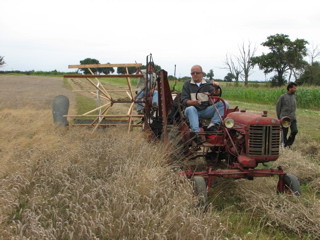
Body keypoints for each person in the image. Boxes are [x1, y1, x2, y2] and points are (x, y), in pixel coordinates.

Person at [181, 65, 228, 136]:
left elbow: (215, 94)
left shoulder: (207, 83)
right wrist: (193, 102)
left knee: (224, 104)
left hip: (205, 110)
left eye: (197, 73)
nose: (195, 75)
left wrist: (216, 87)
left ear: (202, 74)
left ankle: (213, 125)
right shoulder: (187, 84)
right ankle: (196, 133)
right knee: (191, 108)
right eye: (193, 73)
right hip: (192, 111)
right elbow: (184, 100)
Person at [276, 82, 298, 148]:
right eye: (294, 88)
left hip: (293, 118)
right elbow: (278, 107)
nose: (295, 89)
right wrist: (280, 118)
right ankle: (284, 145)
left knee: (294, 131)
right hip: (285, 118)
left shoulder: (294, 97)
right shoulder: (283, 97)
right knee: (284, 133)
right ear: (290, 88)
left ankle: (289, 144)